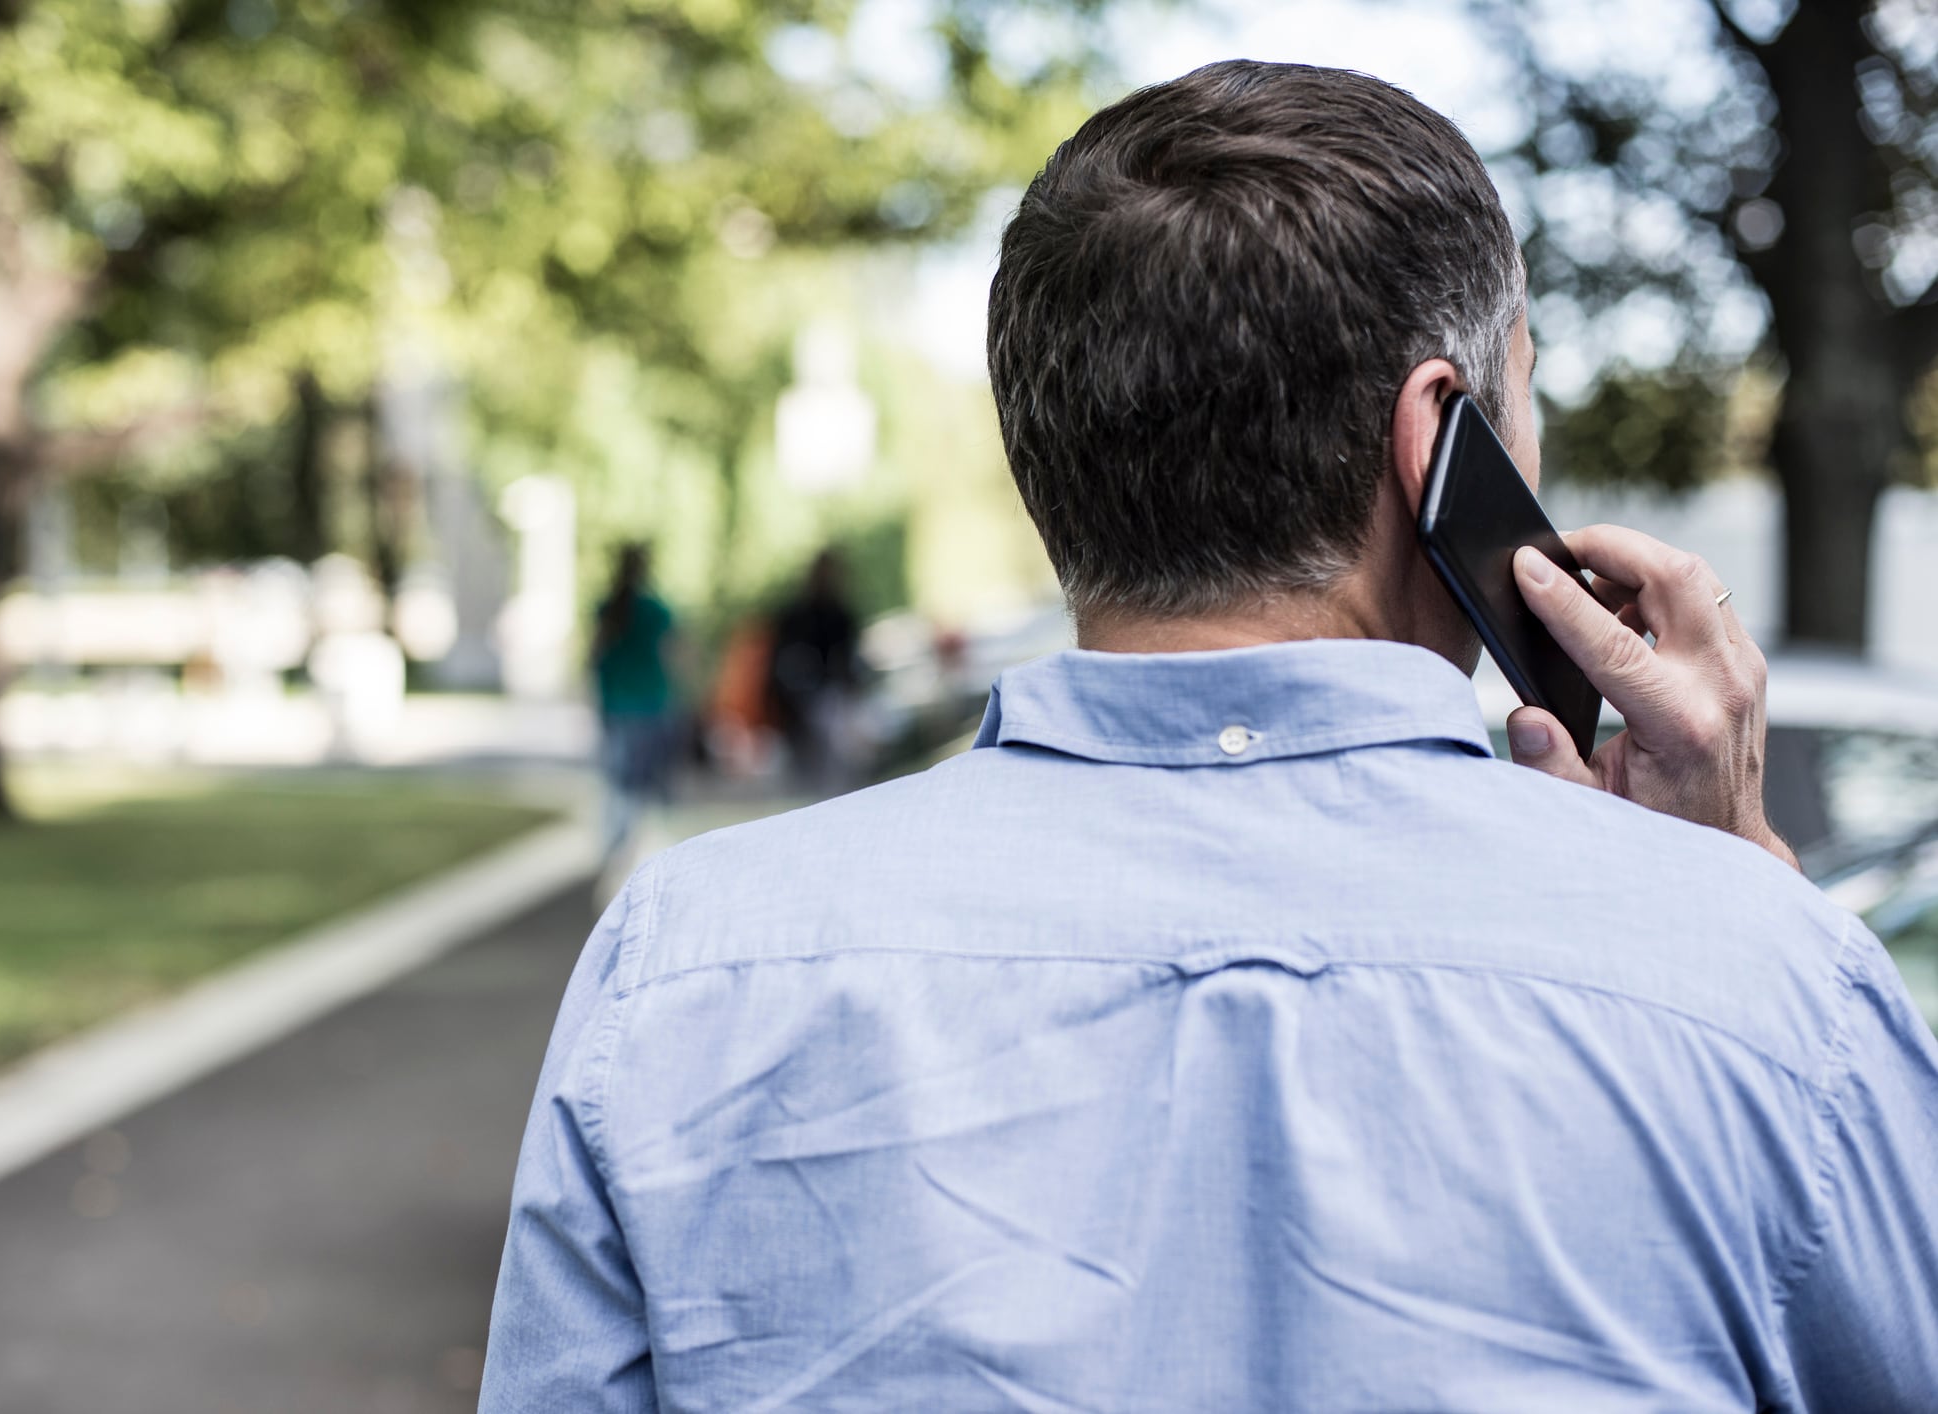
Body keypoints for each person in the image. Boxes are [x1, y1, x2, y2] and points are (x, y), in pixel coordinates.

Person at [481, 62, 1938, 1411]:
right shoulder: (1766, 989)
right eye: (1526, 391)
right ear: (1439, 438)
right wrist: (1733, 881)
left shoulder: (684, 964)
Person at [588, 543, 678, 856]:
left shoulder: (610, 608)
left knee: (619, 780)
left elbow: (595, 655)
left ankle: (618, 845)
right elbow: (672, 656)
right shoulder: (654, 611)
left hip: (617, 703)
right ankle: (633, 846)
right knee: (644, 782)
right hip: (649, 703)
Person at [765, 548, 863, 788]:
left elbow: (848, 660)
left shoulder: (840, 616)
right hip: (802, 702)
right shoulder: (796, 617)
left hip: (830, 699)